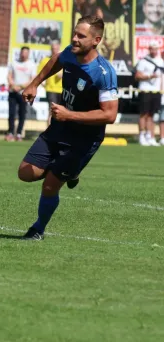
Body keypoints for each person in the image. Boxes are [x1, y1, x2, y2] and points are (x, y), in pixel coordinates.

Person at [18, 15, 118, 240]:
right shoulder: (71, 53)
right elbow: (57, 59)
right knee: (25, 173)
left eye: (81, 36)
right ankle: (69, 172)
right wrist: (34, 84)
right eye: (74, 33)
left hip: (83, 139)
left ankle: (38, 229)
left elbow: (110, 114)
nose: (74, 39)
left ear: (96, 40)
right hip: (59, 128)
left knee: (50, 186)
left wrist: (69, 114)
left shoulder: (104, 73)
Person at [135, 41, 163, 147]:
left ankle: (150, 136)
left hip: (156, 91)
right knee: (144, 114)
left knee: (152, 115)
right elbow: (137, 76)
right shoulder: (143, 61)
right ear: (149, 49)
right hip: (145, 90)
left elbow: (161, 78)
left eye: (156, 48)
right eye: (152, 48)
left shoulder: (160, 61)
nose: (154, 50)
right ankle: (141, 135)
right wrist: (149, 76)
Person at [6, 46, 36, 141]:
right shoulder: (14, 62)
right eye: (22, 53)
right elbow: (9, 76)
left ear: (28, 54)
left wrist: (21, 87)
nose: (23, 55)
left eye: (26, 53)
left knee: (22, 114)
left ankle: (19, 133)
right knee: (11, 113)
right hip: (13, 91)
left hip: (24, 93)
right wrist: (13, 85)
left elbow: (32, 79)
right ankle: (10, 132)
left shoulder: (31, 65)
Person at [38, 41, 63, 124]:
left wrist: (62, 74)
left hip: (62, 89)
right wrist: (43, 84)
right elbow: (39, 74)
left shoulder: (63, 60)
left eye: (56, 48)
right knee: (52, 110)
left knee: (60, 111)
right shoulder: (45, 60)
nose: (54, 50)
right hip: (51, 89)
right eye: (53, 48)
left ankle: (57, 131)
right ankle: (49, 130)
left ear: (59, 48)